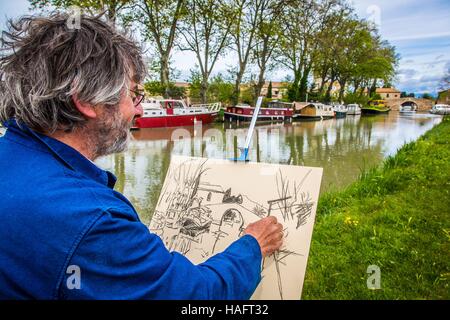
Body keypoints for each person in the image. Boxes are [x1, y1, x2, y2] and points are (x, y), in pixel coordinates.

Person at [0, 14, 283, 299]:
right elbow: (196, 297)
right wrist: (252, 245)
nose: (140, 111)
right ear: (86, 100)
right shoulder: (94, 220)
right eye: (134, 94)